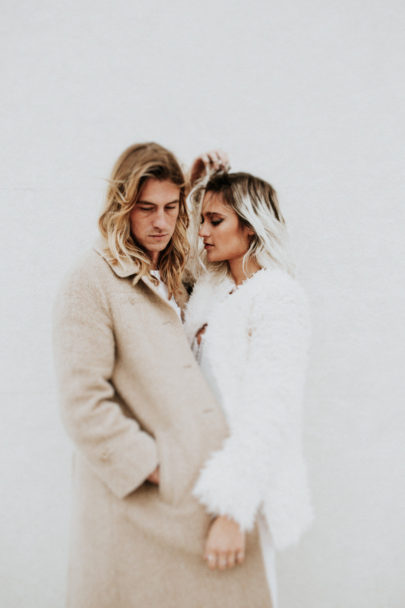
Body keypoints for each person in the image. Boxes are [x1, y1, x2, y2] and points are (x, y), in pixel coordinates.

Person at [52, 143, 274, 608]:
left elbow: (208, 261)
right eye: (146, 208)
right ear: (122, 206)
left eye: (171, 208)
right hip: (141, 506)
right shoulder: (90, 280)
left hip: (197, 496)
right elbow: (82, 401)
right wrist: (154, 466)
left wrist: (196, 190)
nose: (160, 222)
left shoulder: (172, 274)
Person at [184, 171, 315, 608]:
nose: (202, 231)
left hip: (244, 493)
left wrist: (233, 510)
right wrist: (192, 181)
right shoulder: (209, 289)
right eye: (201, 219)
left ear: (251, 225)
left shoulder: (278, 298)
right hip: (193, 487)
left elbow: (268, 412)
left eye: (215, 220)